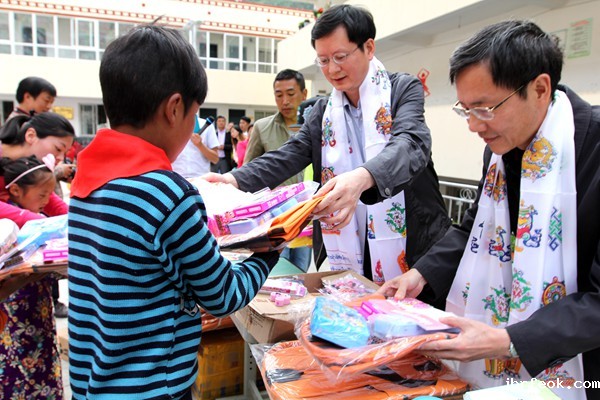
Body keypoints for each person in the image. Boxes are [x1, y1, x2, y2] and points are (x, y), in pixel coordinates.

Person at [378, 20, 600, 399]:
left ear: (540, 89)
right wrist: (420, 274)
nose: (473, 126)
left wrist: (507, 340)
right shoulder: (499, 150)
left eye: (484, 108)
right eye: (465, 110)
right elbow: (474, 229)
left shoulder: (591, 146)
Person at [67, 24, 279, 399]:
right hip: (152, 388)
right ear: (174, 108)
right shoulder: (167, 194)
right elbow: (223, 295)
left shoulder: (86, 181)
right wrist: (272, 245)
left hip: (93, 383)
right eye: (194, 115)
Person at [204, 4, 450, 286]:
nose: (332, 69)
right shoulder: (323, 112)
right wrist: (232, 179)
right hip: (351, 240)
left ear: (369, 48)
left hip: (412, 239)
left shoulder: (402, 90)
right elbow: (288, 155)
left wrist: (362, 178)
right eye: (323, 60)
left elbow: (411, 144)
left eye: (340, 57)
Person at [0, 113, 75, 399]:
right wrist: (39, 224)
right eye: (57, 148)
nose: (59, 157)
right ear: (31, 136)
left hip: (38, 311)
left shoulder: (33, 175)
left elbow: (59, 210)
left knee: (41, 359)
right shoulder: (14, 223)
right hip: (14, 311)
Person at [244, 68, 311, 271]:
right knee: (277, 271)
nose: (285, 101)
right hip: (274, 219)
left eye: (290, 94)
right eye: (279, 95)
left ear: (304, 94)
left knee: (301, 270)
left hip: (306, 215)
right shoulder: (262, 127)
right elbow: (249, 171)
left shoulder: (316, 127)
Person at [171, 114, 219, 178]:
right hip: (176, 177)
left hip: (200, 178)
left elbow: (215, 159)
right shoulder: (170, 124)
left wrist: (200, 145)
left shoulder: (206, 125)